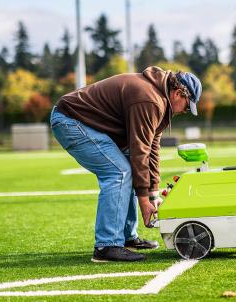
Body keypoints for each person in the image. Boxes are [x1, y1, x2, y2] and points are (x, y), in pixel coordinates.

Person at [50, 67, 202, 262]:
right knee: (119, 172)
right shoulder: (149, 99)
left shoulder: (161, 101)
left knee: (127, 167)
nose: (184, 111)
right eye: (187, 106)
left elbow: (152, 148)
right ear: (178, 93)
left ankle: (126, 237)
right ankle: (107, 246)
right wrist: (144, 201)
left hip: (83, 122)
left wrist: (153, 192)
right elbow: (140, 151)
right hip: (70, 120)